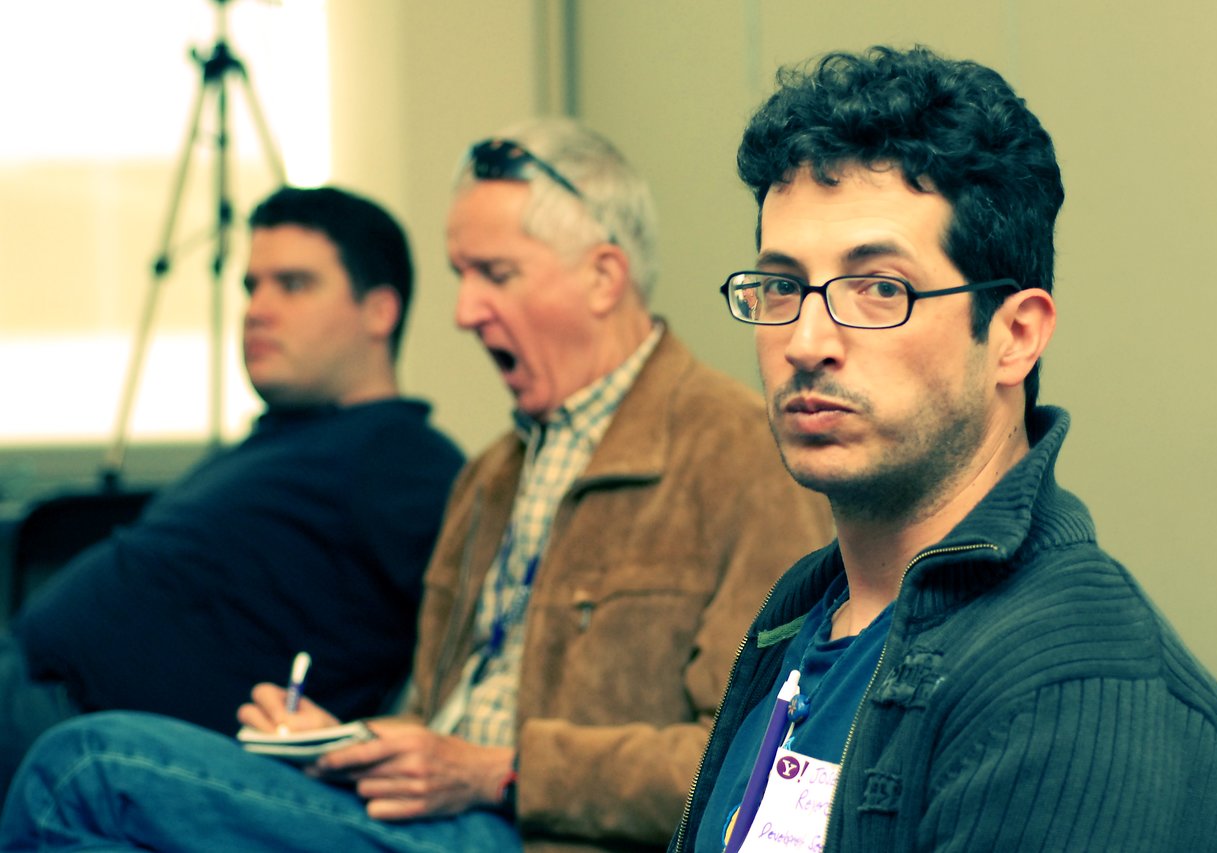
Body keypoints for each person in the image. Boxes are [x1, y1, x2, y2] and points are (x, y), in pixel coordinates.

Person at [0, 119, 832, 851]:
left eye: (494, 274)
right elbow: (443, 720)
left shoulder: (737, 453)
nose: (464, 310)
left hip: (529, 833)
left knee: (86, 771)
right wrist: (350, 742)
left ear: (603, 277)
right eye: (459, 274)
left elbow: (756, 762)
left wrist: (503, 771)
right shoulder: (489, 477)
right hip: (430, 821)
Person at [670, 46, 1217, 852]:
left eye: (879, 287)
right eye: (781, 286)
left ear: (1015, 336)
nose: (806, 341)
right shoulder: (806, 616)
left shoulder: (1081, 688)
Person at [0, 186, 465, 793]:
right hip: (39, 701)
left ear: (380, 312)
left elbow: (480, 633)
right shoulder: (273, 442)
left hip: (101, 748)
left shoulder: (401, 456)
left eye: (293, 285)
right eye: (252, 286)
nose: (257, 309)